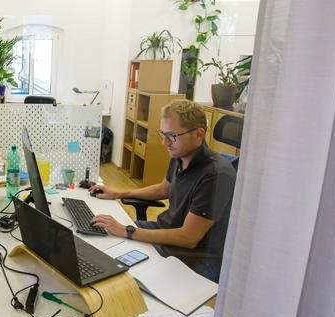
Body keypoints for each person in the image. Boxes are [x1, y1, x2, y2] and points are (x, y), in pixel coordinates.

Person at [89, 99, 236, 281]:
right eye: (163, 134)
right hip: (166, 232)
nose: (165, 142)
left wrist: (126, 231)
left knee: (116, 272)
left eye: (172, 136)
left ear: (199, 135)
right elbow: (163, 189)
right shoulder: (180, 154)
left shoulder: (216, 175)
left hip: (194, 255)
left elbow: (188, 238)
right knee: (100, 235)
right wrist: (118, 193)